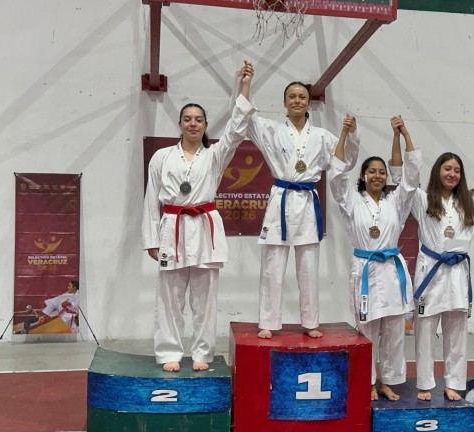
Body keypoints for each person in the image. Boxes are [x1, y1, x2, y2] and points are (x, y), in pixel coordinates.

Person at [142, 60, 255, 372]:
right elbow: (151, 199)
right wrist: (151, 239)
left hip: (205, 229)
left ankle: (202, 353)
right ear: (180, 124)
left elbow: (236, 129)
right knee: (169, 297)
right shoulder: (161, 157)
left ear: (205, 125)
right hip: (172, 228)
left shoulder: (215, 155)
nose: (193, 124)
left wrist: (244, 87)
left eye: (199, 120)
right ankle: (169, 352)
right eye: (187, 119)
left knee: (205, 300)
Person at [401, 125, 474, 401]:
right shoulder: (422, 200)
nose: (452, 174)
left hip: (457, 274)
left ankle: (454, 382)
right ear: (437, 171)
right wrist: (403, 136)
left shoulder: (470, 202)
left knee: (457, 332)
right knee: (425, 331)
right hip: (431, 271)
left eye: (457, 170)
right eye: (447, 168)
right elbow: (406, 182)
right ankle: (424, 383)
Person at [248, 81, 360, 339]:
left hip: (307, 202)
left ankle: (310, 322)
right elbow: (247, 117)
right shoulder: (272, 130)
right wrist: (244, 85)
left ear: (309, 103)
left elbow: (344, 161)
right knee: (272, 266)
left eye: (301, 97)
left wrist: (351, 134)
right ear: (284, 101)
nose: (297, 100)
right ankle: (268, 321)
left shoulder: (322, 136)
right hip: (281, 199)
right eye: (292, 96)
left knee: (309, 267)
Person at [329, 115, 421, 401]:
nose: (378, 176)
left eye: (382, 172)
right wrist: (344, 133)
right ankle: (368, 382)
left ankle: (388, 382)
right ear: (363, 176)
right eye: (372, 171)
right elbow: (336, 174)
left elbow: (411, 176)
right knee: (366, 330)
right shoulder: (350, 199)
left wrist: (403, 134)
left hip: (391, 270)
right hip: (365, 270)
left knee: (394, 330)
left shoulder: (397, 201)